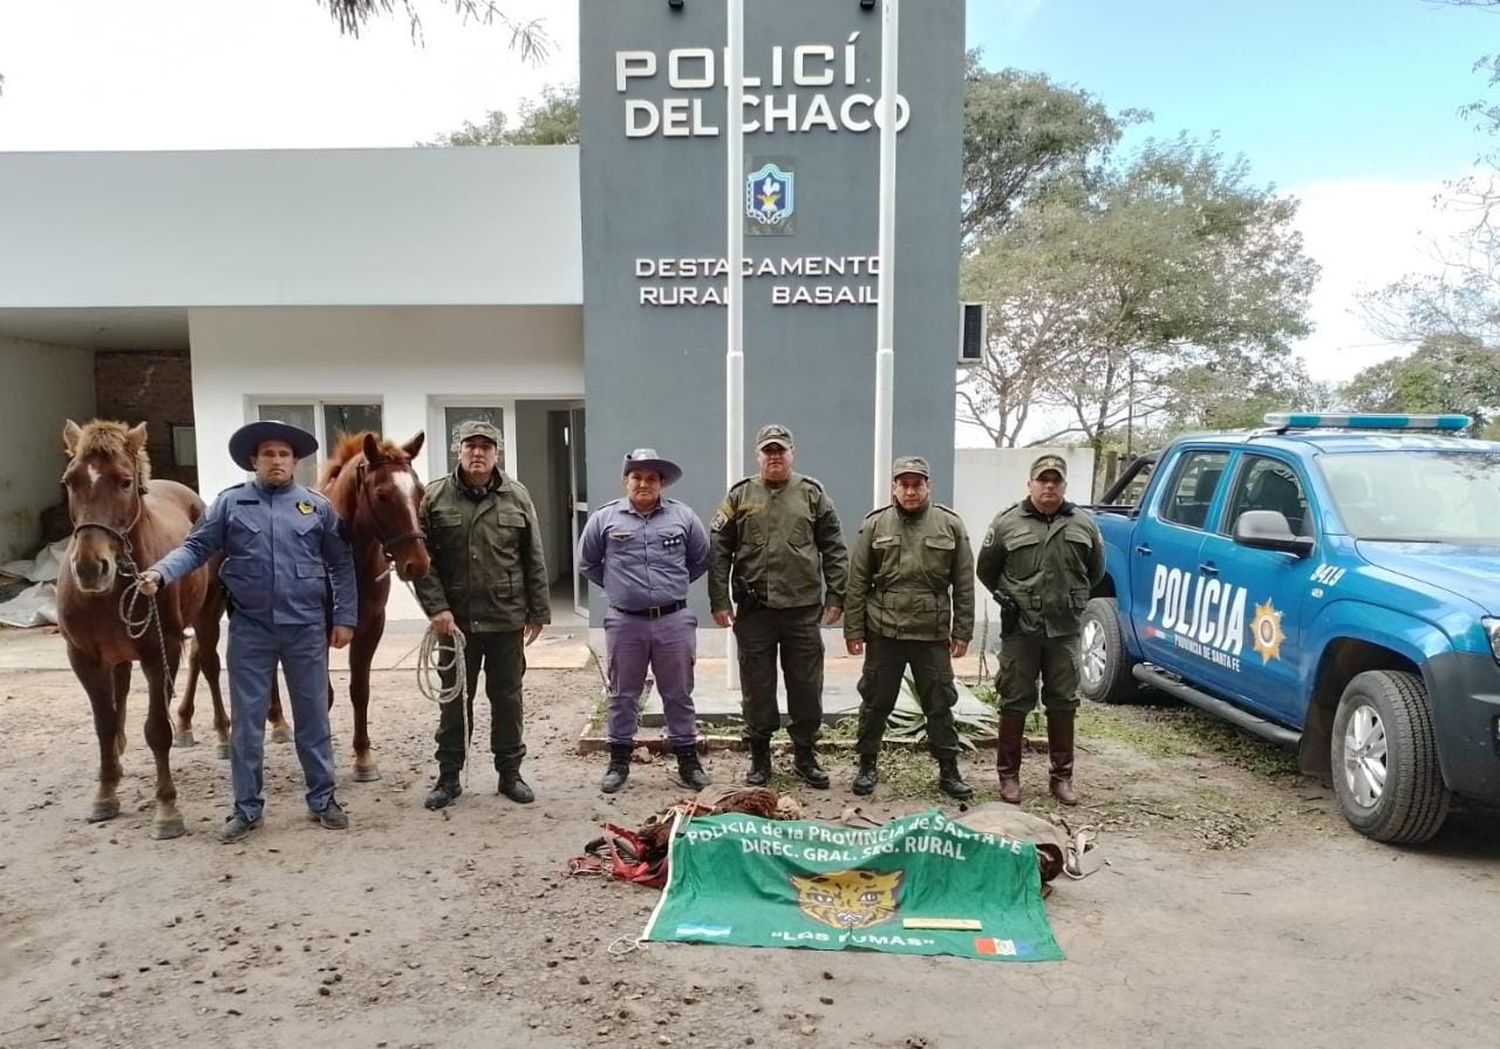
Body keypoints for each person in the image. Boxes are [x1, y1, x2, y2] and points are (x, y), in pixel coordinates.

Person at [139, 419, 356, 843]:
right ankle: (246, 807)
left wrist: (345, 617)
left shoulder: (317, 507)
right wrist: (161, 573)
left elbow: (340, 563)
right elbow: (197, 548)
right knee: (247, 724)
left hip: (306, 629)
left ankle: (323, 798)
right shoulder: (230, 505)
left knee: (312, 719)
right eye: (268, 454)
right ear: (254, 461)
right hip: (251, 630)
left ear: (294, 462)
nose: (276, 461)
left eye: (284, 454)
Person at [413, 419, 550, 810]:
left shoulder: (517, 496)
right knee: (454, 700)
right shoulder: (435, 497)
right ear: (459, 451)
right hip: (454, 622)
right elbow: (424, 563)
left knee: (507, 699)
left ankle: (510, 773)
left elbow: (533, 557)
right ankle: (449, 777)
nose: (478, 453)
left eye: (486, 447)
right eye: (470, 446)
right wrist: (436, 608)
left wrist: (537, 610)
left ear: (496, 453)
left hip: (506, 618)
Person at [708, 423, 848, 789]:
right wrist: (719, 600)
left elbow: (833, 547)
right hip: (755, 612)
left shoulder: (813, 495)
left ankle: (805, 755)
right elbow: (719, 550)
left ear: (791, 453)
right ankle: (760, 758)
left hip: (802, 609)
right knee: (757, 685)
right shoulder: (740, 496)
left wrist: (837, 596)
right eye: (768, 451)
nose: (774, 456)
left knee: (805, 685)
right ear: (758, 456)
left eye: (780, 450)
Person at [975, 453, 1105, 806]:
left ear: (1064, 485)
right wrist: (1011, 598)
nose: (1049, 486)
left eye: (1056, 481)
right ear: (1030, 484)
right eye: (1043, 480)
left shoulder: (1084, 524)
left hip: (1064, 628)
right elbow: (986, 570)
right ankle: (1008, 777)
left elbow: (1095, 571)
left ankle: (1061, 778)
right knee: (1014, 700)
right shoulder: (1006, 523)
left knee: (1063, 701)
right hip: (1022, 628)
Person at [578, 448, 711, 794]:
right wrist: (620, 589)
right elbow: (588, 562)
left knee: (678, 693)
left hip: (674, 620)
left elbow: (699, 560)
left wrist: (670, 589)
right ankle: (618, 761)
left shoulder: (683, 517)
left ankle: (688, 761)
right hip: (625, 623)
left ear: (661, 483)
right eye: (636, 477)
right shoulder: (605, 519)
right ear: (626, 480)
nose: (643, 483)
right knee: (623, 694)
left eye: (651, 478)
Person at [842, 456, 975, 800]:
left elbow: (963, 583)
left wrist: (963, 630)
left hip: (931, 633)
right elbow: (856, 581)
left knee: (940, 703)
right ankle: (867, 764)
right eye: (904, 484)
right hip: (884, 630)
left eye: (917, 484)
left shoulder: (950, 525)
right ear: (894, 487)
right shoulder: (876, 525)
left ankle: (948, 770)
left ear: (928, 486)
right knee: (875, 701)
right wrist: (853, 629)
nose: (910, 490)